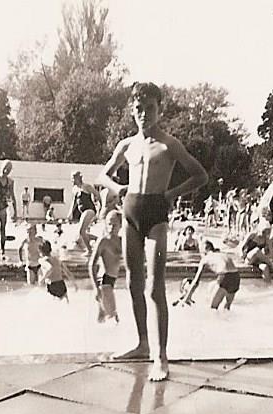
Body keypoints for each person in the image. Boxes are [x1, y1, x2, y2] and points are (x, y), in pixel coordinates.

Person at [97, 81, 208, 381]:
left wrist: (172, 194)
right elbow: (102, 175)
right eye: (139, 109)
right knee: (133, 282)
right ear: (132, 111)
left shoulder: (169, 144)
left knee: (154, 286)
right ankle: (142, 343)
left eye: (150, 108)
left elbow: (201, 175)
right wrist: (117, 188)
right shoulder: (126, 145)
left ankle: (162, 356)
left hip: (157, 215)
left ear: (159, 109)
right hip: (130, 213)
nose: (144, 114)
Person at [174, 240, 240, 311]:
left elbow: (196, 282)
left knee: (212, 309)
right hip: (236, 276)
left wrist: (187, 298)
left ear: (205, 250)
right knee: (227, 308)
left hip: (224, 276)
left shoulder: (205, 258)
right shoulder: (222, 254)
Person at [88, 210, 123, 322]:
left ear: (120, 225)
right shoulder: (103, 241)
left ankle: (95, 336)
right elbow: (91, 264)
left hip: (112, 281)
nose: (111, 227)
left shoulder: (121, 241)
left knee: (103, 317)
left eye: (115, 225)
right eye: (109, 224)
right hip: (103, 281)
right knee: (113, 317)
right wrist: (95, 288)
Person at [70, 171, 101, 256]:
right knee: (81, 234)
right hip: (83, 211)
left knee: (81, 231)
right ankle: (100, 240)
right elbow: (74, 202)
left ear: (77, 178)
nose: (71, 180)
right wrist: (70, 212)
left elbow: (97, 194)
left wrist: (100, 208)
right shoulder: (75, 189)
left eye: (73, 178)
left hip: (89, 210)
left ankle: (90, 251)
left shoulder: (86, 186)